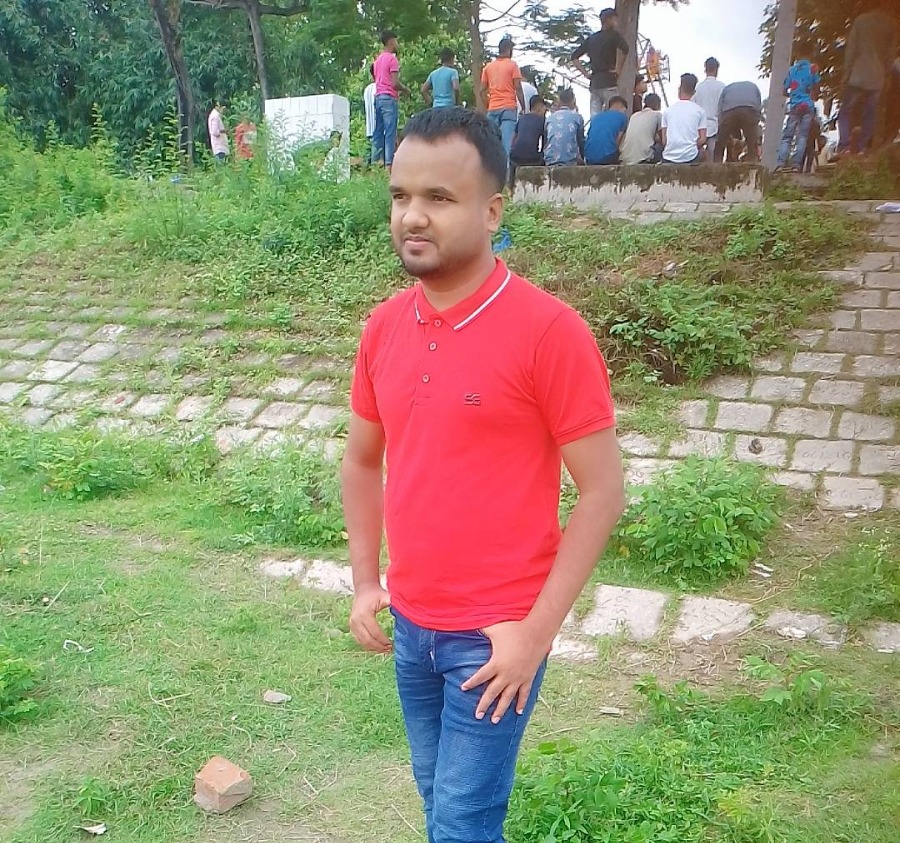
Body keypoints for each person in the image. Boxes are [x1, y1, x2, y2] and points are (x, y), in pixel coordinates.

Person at [342, 105, 624, 843]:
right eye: (401, 195)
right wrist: (366, 582)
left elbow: (603, 492)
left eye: (439, 197)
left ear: (493, 210)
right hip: (412, 625)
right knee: (439, 804)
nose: (413, 216)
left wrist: (535, 635)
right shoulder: (383, 327)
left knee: (462, 825)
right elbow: (362, 460)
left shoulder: (549, 332)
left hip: (495, 638)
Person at [838, 8, 899, 155]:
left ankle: (844, 145)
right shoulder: (891, 25)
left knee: (845, 110)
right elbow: (890, 55)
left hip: (858, 75)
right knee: (870, 113)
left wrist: (846, 74)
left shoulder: (861, 21)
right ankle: (861, 146)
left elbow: (852, 49)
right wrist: (886, 75)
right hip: (877, 77)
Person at [571, 8, 630, 116]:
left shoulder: (592, 38)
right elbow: (625, 49)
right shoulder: (614, 35)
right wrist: (618, 69)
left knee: (595, 117)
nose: (616, 23)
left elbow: (574, 57)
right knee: (615, 114)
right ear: (608, 20)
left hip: (595, 82)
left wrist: (586, 74)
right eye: (614, 19)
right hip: (609, 81)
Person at [479, 37, 526, 157]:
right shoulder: (513, 65)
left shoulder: (488, 67)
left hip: (493, 108)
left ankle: (492, 167)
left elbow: (481, 91)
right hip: (509, 108)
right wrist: (524, 106)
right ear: (509, 50)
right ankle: (505, 168)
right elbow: (518, 88)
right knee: (506, 144)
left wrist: (488, 104)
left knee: (492, 144)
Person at [373, 30, 411, 172]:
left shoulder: (377, 60)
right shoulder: (392, 59)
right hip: (389, 98)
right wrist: (405, 90)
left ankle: (375, 163)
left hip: (378, 97)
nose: (397, 44)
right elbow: (394, 83)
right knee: (390, 132)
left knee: (378, 132)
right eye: (396, 41)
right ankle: (389, 165)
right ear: (391, 41)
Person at [775, 58, 821, 172]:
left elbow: (784, 90)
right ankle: (796, 165)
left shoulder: (792, 70)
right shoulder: (812, 68)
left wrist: (792, 95)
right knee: (803, 136)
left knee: (787, 137)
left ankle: (780, 163)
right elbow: (817, 89)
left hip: (794, 106)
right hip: (808, 106)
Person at [661, 73, 707, 164]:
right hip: (690, 156)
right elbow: (702, 139)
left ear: (679, 89)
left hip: (669, 157)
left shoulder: (667, 111)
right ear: (694, 92)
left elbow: (664, 141)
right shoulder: (700, 111)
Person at [714, 80, 762, 163]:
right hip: (749, 108)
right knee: (752, 140)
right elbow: (758, 106)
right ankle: (752, 162)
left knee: (721, 141)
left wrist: (722, 127)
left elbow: (720, 108)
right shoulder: (753, 86)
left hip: (729, 110)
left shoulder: (727, 88)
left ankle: (716, 163)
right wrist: (754, 125)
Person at [692, 57, 725, 162]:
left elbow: (692, 108)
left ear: (705, 69)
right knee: (713, 160)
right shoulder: (722, 87)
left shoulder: (698, 88)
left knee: (696, 160)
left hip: (698, 128)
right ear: (717, 70)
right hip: (715, 126)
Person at [543, 88, 585, 166]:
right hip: (570, 161)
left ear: (559, 101)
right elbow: (581, 142)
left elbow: (546, 142)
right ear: (573, 100)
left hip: (550, 161)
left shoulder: (550, 118)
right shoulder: (577, 117)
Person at [620, 92, 663, 165]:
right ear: (657, 104)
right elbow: (663, 139)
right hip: (644, 157)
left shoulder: (634, 116)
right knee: (662, 145)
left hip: (626, 157)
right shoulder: (657, 115)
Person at [584, 95, 628, 164]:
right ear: (622, 107)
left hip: (589, 158)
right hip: (608, 157)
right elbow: (618, 142)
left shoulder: (596, 117)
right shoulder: (622, 117)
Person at [510, 94, 548, 168]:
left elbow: (513, 138)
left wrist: (512, 150)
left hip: (515, 157)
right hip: (532, 158)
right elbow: (545, 143)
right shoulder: (542, 121)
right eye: (544, 109)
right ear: (539, 107)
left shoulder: (521, 118)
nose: (545, 112)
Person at [364, 65, 377, 165]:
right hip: (380, 131)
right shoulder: (380, 88)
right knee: (377, 163)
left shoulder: (367, 89)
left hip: (369, 129)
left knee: (368, 163)